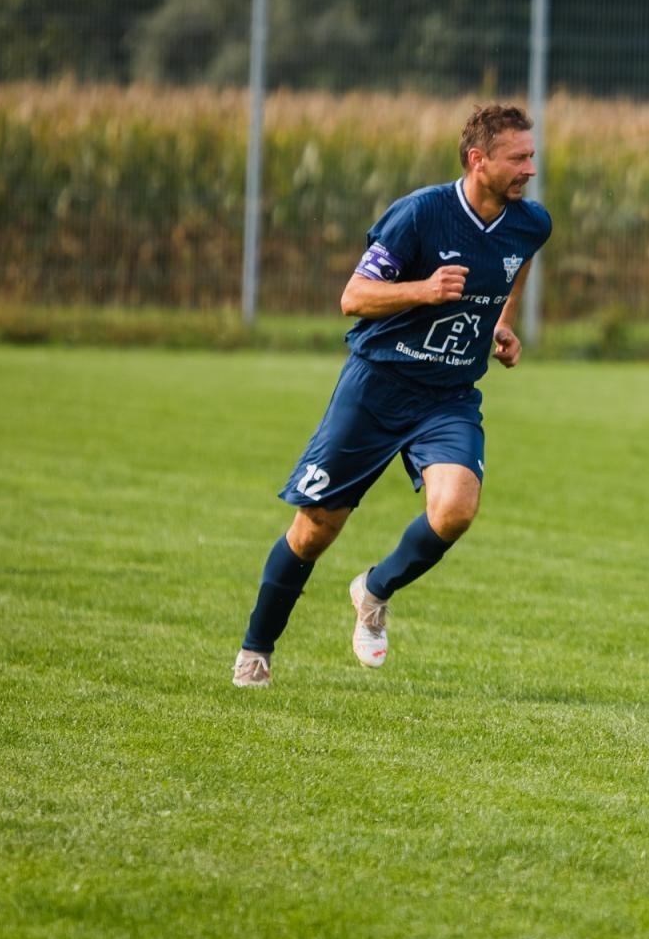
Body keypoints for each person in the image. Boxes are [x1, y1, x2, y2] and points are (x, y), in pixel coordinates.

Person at [231, 104, 551, 687]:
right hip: (377, 388)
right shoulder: (420, 214)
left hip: (449, 396)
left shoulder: (531, 222)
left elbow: (518, 262)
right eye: (518, 158)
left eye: (532, 156)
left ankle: (374, 590)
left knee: (455, 509)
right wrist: (424, 290)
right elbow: (353, 297)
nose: (530, 168)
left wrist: (502, 322)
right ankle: (257, 649)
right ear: (478, 160)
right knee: (316, 528)